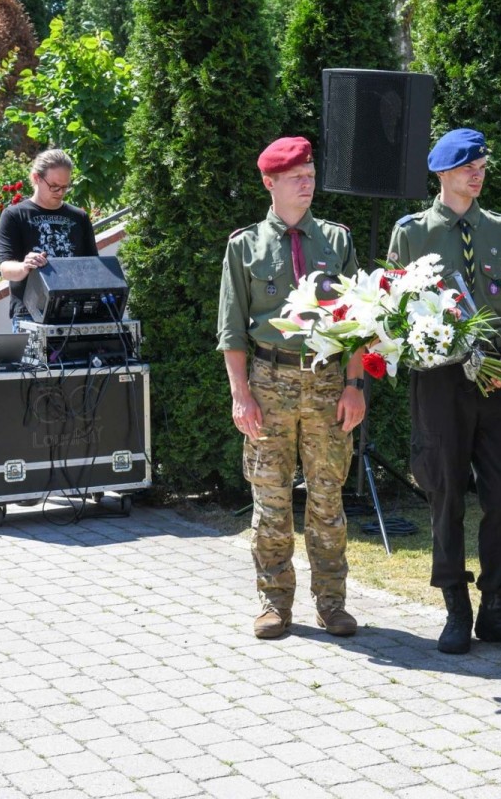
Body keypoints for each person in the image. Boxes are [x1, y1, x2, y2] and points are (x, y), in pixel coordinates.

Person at [217, 136, 366, 640]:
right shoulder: (245, 246)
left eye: (311, 174)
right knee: (271, 503)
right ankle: (274, 603)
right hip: (269, 383)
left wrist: (354, 385)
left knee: (328, 500)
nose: (308, 184)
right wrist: (241, 395)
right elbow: (232, 330)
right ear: (270, 182)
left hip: (327, 384)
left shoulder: (337, 241)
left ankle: (332, 603)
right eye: (296, 177)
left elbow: (360, 323)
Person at [387, 128, 501, 654]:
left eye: (482, 165)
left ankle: (496, 606)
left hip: (494, 377)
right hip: (439, 378)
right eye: (468, 166)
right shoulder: (413, 232)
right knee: (444, 492)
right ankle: (454, 606)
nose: (478, 173)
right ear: (443, 173)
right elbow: (395, 308)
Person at [0, 149, 99, 327]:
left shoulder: (79, 217)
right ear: (37, 178)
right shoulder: (14, 215)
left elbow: (93, 265)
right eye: (54, 186)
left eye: (65, 187)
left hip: (74, 312)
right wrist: (25, 266)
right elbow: (6, 269)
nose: (60, 192)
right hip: (30, 314)